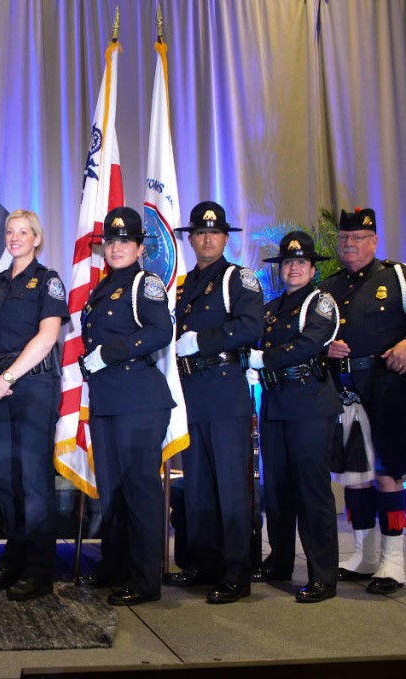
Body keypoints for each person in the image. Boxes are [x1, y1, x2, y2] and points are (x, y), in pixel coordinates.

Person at [319, 207, 406, 595]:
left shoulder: (401, 278)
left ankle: (394, 562)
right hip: (346, 390)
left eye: (357, 238)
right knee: (355, 475)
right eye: (344, 238)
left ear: (374, 241)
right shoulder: (331, 287)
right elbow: (313, 335)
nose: (349, 244)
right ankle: (364, 555)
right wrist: (326, 350)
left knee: (389, 473)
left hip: (389, 386)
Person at [78, 207, 175, 606]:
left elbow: (161, 331)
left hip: (139, 398)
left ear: (138, 247)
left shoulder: (144, 283)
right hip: (109, 400)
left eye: (125, 242)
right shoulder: (102, 288)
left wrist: (110, 352)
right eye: (111, 242)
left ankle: (145, 578)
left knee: (140, 491)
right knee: (113, 492)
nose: (116, 248)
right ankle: (115, 565)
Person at [168, 200, 263, 604]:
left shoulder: (238, 278)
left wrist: (203, 341)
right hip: (192, 393)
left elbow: (251, 326)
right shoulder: (184, 283)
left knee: (230, 486)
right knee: (199, 487)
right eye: (199, 233)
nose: (205, 239)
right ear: (192, 240)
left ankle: (236, 573)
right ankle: (203, 565)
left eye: (213, 233)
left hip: (225, 389)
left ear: (225, 238)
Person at [0, 209, 68, 601]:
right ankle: (12, 561)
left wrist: (7, 378)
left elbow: (47, 337)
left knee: (33, 484)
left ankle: (39, 570)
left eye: (23, 232)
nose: (15, 237)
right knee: (7, 483)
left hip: (32, 386)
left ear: (37, 239)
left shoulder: (49, 282)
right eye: (10, 232)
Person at [247, 231, 341, 603]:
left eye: (301, 262)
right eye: (288, 262)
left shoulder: (320, 304)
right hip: (275, 403)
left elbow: (308, 344)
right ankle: (280, 560)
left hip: (309, 404)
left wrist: (264, 359)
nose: (294, 268)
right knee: (279, 491)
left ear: (312, 268)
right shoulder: (272, 309)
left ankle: (323, 575)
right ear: (280, 269)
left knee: (312, 492)